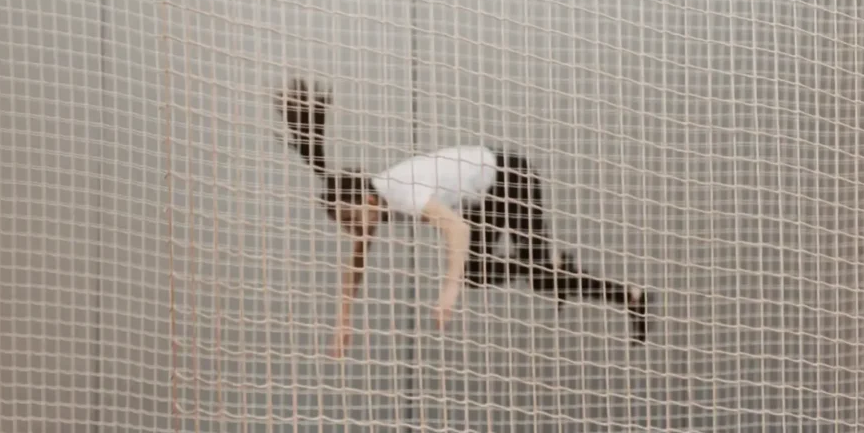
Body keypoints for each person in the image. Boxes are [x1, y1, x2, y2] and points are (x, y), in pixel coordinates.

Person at [277, 79, 649, 355]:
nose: (354, 230)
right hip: (483, 192)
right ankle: (605, 286)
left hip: (509, 178)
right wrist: (343, 321)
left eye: (351, 221)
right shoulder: (376, 197)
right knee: (531, 276)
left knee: (512, 276)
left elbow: (456, 230)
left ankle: (590, 280)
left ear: (364, 200)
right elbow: (355, 264)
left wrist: (448, 291)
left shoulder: (403, 193)